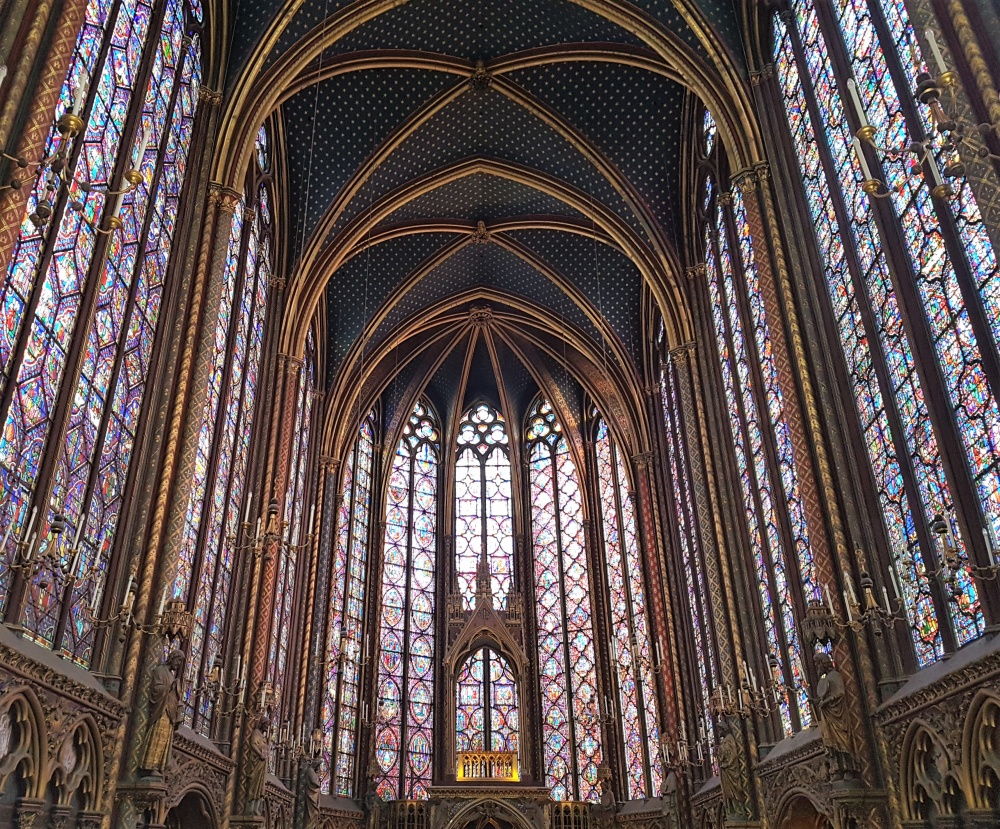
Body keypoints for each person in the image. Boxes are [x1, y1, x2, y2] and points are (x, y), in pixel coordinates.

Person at [139, 650, 185, 778]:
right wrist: (171, 687)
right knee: (157, 736)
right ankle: (150, 766)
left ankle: (159, 766)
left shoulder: (171, 675)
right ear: (172, 658)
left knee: (165, 741)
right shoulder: (160, 670)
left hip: (169, 712)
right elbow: (156, 689)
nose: (179, 664)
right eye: (178, 660)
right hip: (161, 710)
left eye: (181, 661)